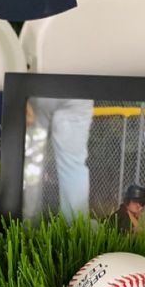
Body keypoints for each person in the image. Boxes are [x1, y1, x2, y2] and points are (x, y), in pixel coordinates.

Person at [22, 96, 94, 224]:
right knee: (73, 166)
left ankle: (26, 227)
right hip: (79, 88)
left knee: (32, 162)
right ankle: (75, 232)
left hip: (40, 87)